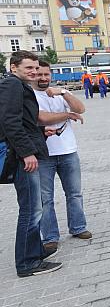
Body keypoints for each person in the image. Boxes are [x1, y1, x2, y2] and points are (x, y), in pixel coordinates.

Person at [0, 51, 63, 277]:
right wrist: (27, 153)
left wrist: (40, 131)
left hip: (26, 151)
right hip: (22, 158)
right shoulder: (12, 85)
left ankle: (35, 251)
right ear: (14, 67)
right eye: (29, 68)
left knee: (33, 207)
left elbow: (22, 122)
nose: (35, 72)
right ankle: (27, 263)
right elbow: (9, 122)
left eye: (36, 68)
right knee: (31, 209)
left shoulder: (18, 85)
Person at [33, 61, 91, 255]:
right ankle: (50, 237)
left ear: (51, 75)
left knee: (74, 193)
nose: (42, 78)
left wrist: (64, 93)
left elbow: (80, 108)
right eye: (38, 74)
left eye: (46, 74)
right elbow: (41, 118)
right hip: (43, 155)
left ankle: (78, 227)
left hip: (68, 151)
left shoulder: (59, 93)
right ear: (33, 75)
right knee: (45, 199)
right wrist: (67, 114)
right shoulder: (29, 95)